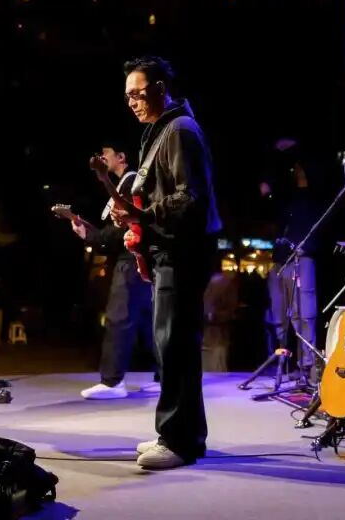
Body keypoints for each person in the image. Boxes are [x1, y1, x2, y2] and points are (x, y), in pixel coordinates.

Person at [111, 56, 221, 470]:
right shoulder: (162, 131)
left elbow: (190, 198)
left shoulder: (179, 130)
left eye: (138, 94)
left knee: (175, 345)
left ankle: (178, 440)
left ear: (160, 88)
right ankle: (182, 433)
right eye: (127, 96)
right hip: (172, 251)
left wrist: (141, 215)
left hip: (182, 253)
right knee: (173, 346)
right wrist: (133, 213)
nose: (132, 102)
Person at [67, 143, 157, 399]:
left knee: (119, 318)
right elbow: (115, 232)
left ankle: (112, 381)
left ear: (121, 157)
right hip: (136, 260)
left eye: (105, 153)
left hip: (131, 259)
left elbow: (121, 230)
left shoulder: (130, 183)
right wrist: (89, 233)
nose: (101, 157)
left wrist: (91, 236)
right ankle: (166, 377)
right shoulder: (126, 184)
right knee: (148, 322)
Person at [259, 136, 321, 380]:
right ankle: (284, 364)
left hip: (301, 257)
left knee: (303, 313)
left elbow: (305, 171)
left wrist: (293, 151)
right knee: (279, 315)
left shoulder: (309, 194)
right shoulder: (281, 195)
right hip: (280, 258)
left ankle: (307, 366)